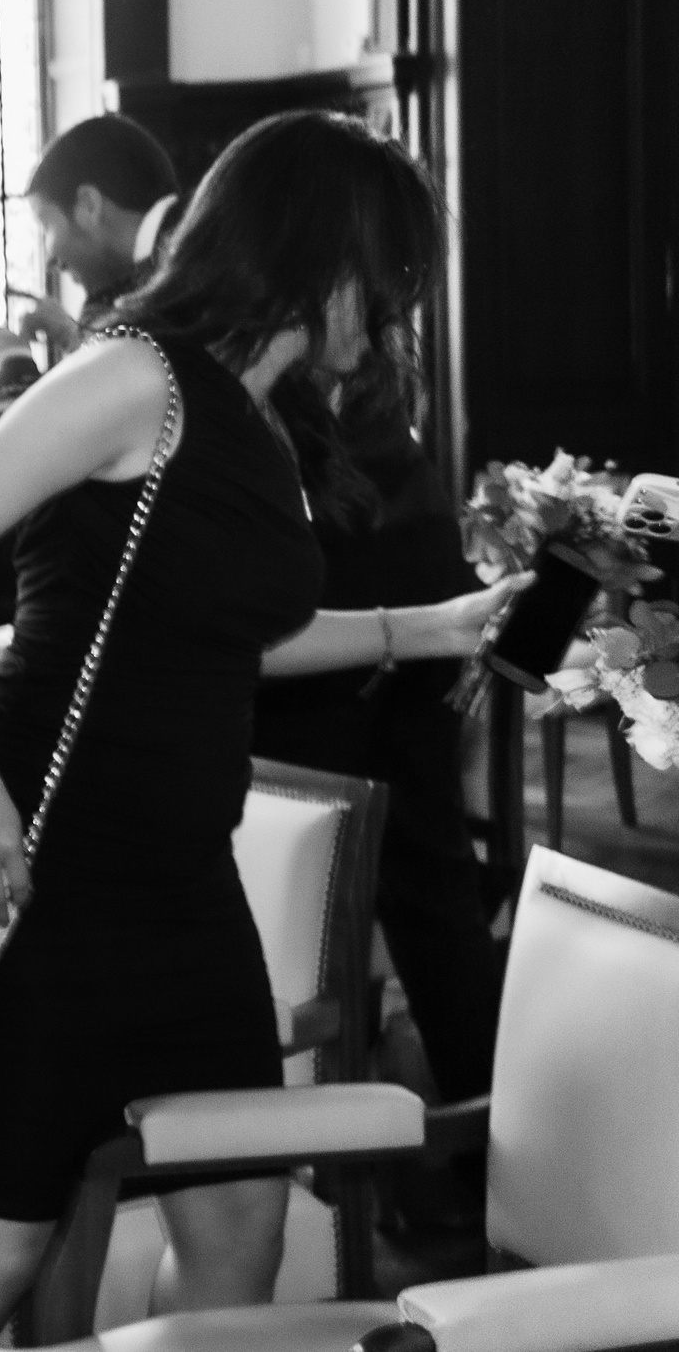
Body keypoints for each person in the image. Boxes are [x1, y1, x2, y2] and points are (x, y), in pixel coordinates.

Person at [0, 110, 526, 1352]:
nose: (389, 319)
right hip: (43, 880)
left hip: (180, 887)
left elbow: (227, 633)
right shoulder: (135, 377)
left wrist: (420, 629)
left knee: (238, 1226)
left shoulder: (255, 416)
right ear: (313, 258)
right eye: (379, 281)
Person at [252, 379, 505, 1110]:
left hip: (337, 603)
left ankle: (328, 1146)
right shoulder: (363, 366)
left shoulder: (260, 368)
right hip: (400, 573)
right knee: (425, 873)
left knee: (313, 887)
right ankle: (479, 1154)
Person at [14, 112, 182, 355]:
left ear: (89, 205)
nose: (52, 261)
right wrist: (68, 333)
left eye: (47, 225)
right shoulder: (174, 249)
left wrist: (13, 357)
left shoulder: (187, 270)